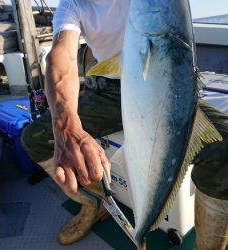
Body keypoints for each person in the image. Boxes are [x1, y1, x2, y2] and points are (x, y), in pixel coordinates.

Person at [21, 0, 228, 249]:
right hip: (111, 90)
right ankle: (94, 204)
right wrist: (66, 124)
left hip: (162, 86)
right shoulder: (73, 5)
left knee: (225, 145)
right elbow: (62, 54)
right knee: (36, 138)